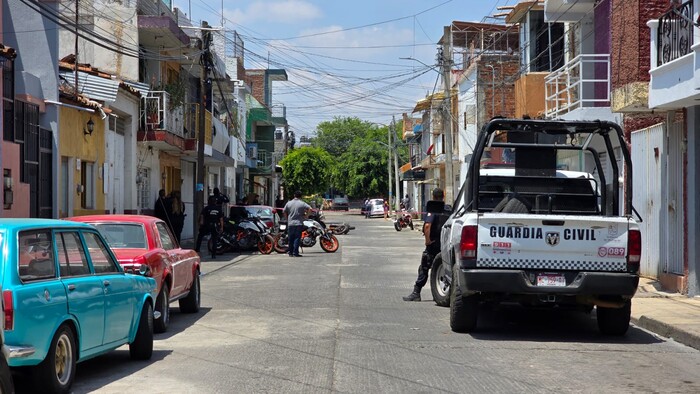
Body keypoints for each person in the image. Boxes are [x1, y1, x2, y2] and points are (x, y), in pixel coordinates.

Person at [403, 187, 448, 302]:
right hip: (445, 244)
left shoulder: (433, 209)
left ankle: (416, 292)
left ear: (433, 197)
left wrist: (427, 240)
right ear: (443, 196)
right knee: (445, 268)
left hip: (433, 245)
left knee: (424, 267)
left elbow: (428, 226)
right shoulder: (448, 209)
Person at [283, 190, 311, 257]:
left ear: (294, 195)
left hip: (290, 223)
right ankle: (296, 253)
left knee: (291, 238)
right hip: (299, 223)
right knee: (297, 238)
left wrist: (287, 219)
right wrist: (306, 216)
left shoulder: (289, 203)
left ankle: (290, 253)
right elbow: (310, 208)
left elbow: (284, 211)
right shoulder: (302, 203)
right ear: (300, 196)